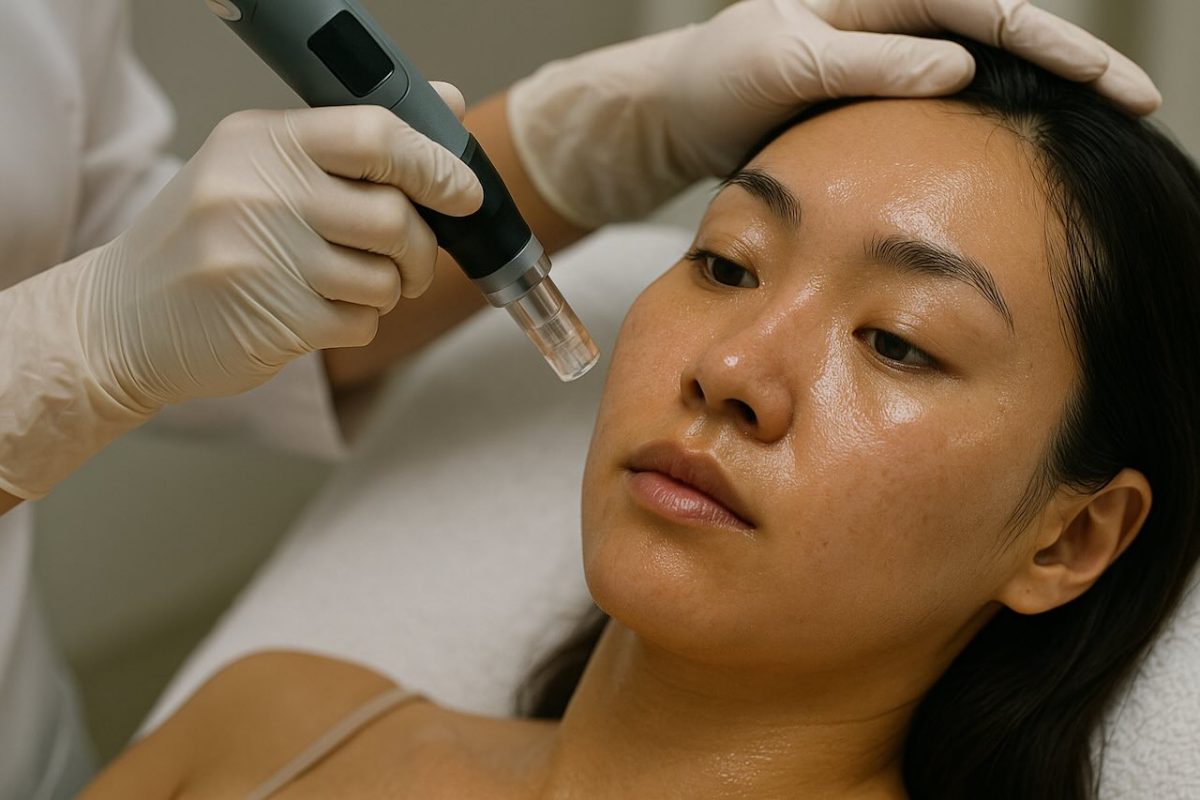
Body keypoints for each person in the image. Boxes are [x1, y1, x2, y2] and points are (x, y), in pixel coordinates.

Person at [0, 0, 1164, 797]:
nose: (732, 369)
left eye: (899, 343)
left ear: (1072, 535)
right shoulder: (273, 722)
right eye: (725, 262)